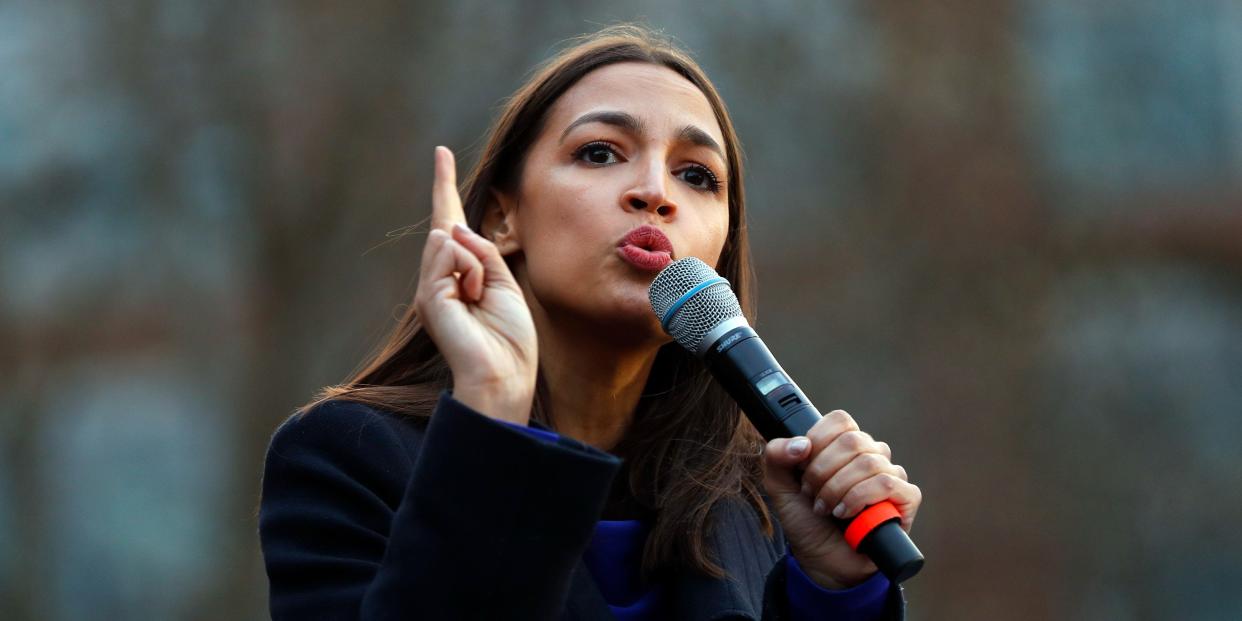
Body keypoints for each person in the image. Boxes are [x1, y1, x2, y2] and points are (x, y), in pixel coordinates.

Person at [259, 24, 922, 620]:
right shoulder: (349, 458)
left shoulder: (761, 505)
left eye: (697, 175)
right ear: (500, 219)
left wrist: (835, 594)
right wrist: (491, 417)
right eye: (601, 153)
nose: (655, 193)